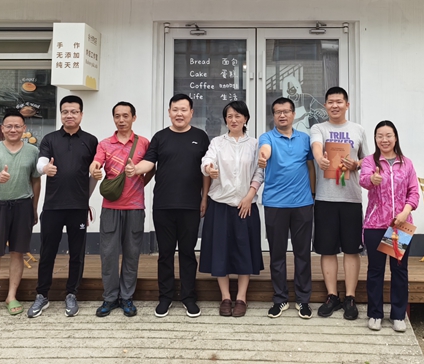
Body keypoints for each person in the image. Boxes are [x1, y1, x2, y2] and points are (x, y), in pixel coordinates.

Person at [127, 94, 210, 318]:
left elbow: (206, 170)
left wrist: (204, 198)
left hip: (191, 205)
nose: (179, 114)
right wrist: (135, 169)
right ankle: (165, 297)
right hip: (163, 205)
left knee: (187, 253)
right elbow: (149, 162)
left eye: (183, 110)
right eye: (175, 109)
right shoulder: (160, 137)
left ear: (191, 112)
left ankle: (188, 297)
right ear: (169, 112)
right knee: (165, 254)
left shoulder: (200, 137)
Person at [26, 96, 98, 318]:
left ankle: (72, 294)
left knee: (77, 253)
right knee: (47, 252)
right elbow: (41, 161)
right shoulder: (50, 139)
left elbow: (95, 171)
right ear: (60, 114)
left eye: (74, 111)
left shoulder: (91, 140)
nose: (69, 115)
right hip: (53, 207)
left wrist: (87, 197)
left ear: (81, 114)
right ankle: (42, 295)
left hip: (78, 207)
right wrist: (44, 169)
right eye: (65, 111)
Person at [199, 101, 265, 318]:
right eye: (229, 116)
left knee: (244, 252)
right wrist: (209, 168)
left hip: (246, 206)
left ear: (245, 118)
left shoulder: (255, 144)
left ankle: (241, 298)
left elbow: (259, 172)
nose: (233, 120)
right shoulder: (217, 142)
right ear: (225, 119)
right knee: (220, 252)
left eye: (238, 116)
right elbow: (207, 161)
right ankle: (225, 297)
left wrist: (249, 196)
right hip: (220, 205)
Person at [90, 101, 154, 318]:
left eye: (126, 115)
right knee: (108, 255)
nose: (121, 120)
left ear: (134, 118)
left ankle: (127, 297)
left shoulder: (143, 143)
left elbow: (151, 167)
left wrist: (140, 183)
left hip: (135, 208)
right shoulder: (105, 144)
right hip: (110, 207)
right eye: (117, 116)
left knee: (132, 254)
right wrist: (95, 171)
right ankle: (109, 298)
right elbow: (96, 163)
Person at [310, 86, 368, 320]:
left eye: (339, 101)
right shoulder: (319, 128)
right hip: (325, 198)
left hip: (351, 198)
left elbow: (368, 160)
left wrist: (357, 164)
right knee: (328, 249)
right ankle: (332, 295)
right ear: (325, 105)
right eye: (330, 102)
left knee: (352, 249)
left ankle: (350, 297)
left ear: (347, 104)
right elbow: (316, 145)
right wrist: (319, 158)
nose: (335, 105)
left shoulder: (358, 130)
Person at [257, 97, 316, 320]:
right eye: (277, 112)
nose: (282, 115)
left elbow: (310, 166)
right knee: (277, 254)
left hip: (302, 203)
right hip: (275, 204)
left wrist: (312, 194)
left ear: (293, 114)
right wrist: (263, 157)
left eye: (286, 111)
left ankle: (303, 300)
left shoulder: (305, 139)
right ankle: (280, 298)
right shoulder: (267, 137)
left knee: (303, 254)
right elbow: (265, 151)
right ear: (273, 115)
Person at [359, 120, 420, 332]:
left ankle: (398, 315)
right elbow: (364, 180)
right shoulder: (370, 161)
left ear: (395, 138)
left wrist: (405, 212)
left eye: (388, 135)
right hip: (375, 224)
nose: (384, 140)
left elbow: (414, 192)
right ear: (375, 139)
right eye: (380, 136)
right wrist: (373, 179)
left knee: (399, 271)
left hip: (400, 225)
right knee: (375, 271)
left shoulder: (407, 163)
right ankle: (375, 314)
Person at [0, 109, 41, 319]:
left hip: (23, 206)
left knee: (18, 253)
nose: (13, 129)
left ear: (24, 128)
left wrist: (34, 207)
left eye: (17, 126)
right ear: (2, 128)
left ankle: (11, 296)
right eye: (9, 126)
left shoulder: (33, 151)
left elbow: (36, 180)